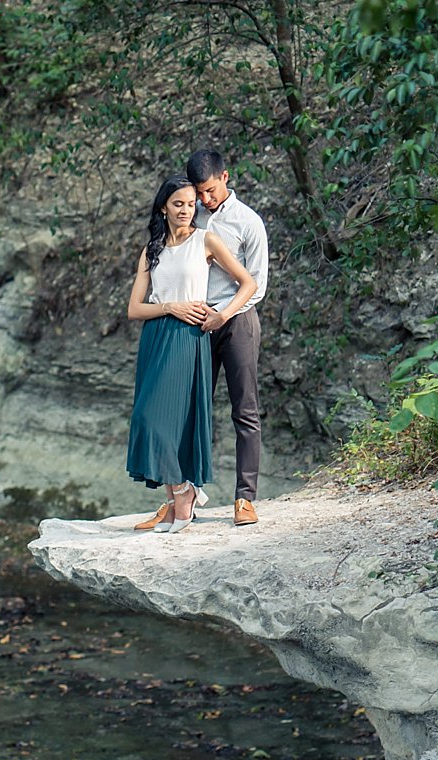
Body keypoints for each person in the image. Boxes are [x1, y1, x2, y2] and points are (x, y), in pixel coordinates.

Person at [125, 176, 257, 533]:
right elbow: (134, 309)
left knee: (162, 421)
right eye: (178, 204)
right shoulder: (152, 249)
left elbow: (249, 283)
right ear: (163, 207)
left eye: (190, 204)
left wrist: (222, 314)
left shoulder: (206, 240)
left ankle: (184, 493)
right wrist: (170, 307)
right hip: (157, 335)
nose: (186, 210)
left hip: (188, 338)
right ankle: (177, 500)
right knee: (147, 418)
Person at [186, 149, 269, 526]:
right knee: (193, 410)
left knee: (244, 411)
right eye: (199, 193)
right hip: (197, 322)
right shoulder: (191, 216)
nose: (205, 199)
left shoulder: (248, 222)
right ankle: (184, 496)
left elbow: (258, 286)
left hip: (237, 321)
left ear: (225, 177)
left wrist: (224, 314)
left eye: (209, 190)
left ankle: (245, 498)